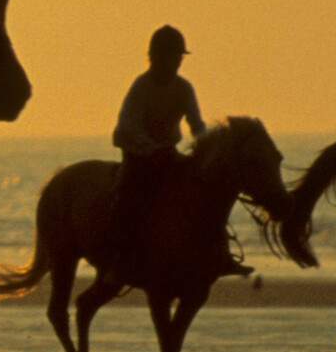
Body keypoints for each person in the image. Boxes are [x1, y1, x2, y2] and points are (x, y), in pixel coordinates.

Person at [104, 26, 245, 281]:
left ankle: (221, 255)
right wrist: (149, 147)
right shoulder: (141, 86)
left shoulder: (184, 88)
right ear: (156, 57)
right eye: (173, 56)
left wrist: (210, 148)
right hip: (137, 154)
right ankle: (119, 260)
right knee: (126, 198)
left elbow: (196, 125)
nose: (177, 62)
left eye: (179, 57)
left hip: (167, 153)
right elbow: (129, 124)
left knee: (205, 196)